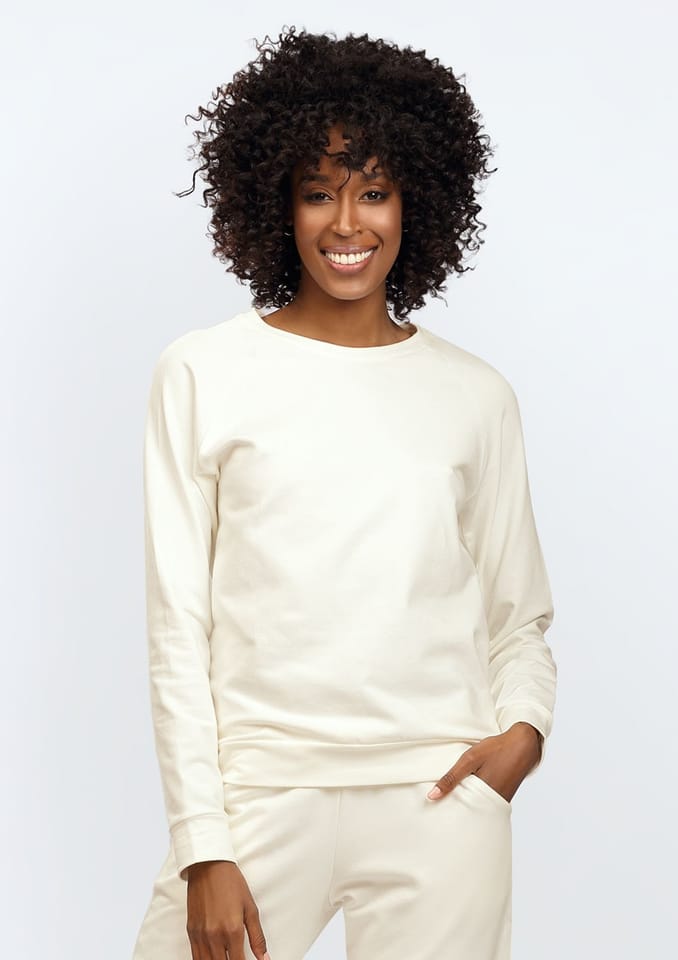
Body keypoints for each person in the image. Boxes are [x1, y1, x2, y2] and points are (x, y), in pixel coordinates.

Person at [132, 26, 557, 960]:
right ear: (278, 204)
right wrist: (203, 843)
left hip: (438, 796)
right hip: (260, 790)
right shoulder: (204, 372)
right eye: (319, 192)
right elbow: (178, 628)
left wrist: (523, 732)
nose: (347, 224)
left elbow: (518, 614)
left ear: (416, 202)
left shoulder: (475, 395)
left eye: (374, 191)